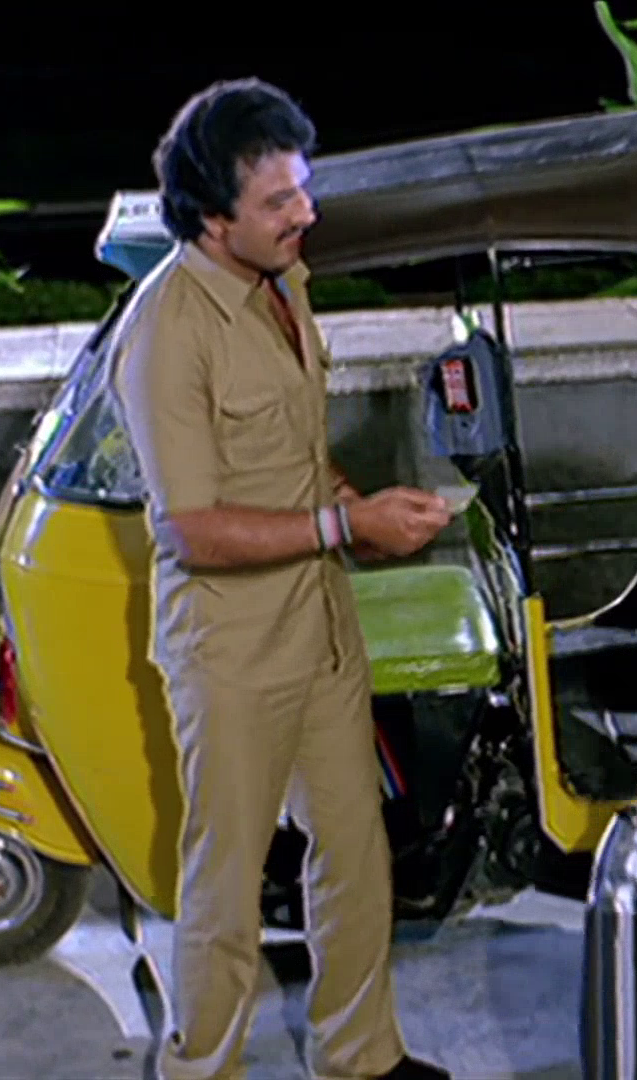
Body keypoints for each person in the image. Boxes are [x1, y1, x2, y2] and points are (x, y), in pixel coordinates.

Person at [112, 77, 453, 1080]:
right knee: (225, 886)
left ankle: (361, 1057)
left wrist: (359, 509)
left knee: (354, 849)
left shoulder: (283, 282)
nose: (305, 213)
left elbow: (295, 453)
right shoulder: (167, 334)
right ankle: (200, 1070)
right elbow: (192, 530)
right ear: (213, 219)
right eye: (277, 201)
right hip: (231, 652)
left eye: (303, 188)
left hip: (322, 628)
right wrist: (345, 525)